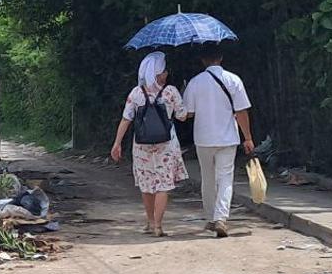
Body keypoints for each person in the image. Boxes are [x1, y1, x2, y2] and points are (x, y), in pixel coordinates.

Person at [109, 51, 189, 237]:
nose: (167, 73)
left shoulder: (136, 93)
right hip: (166, 145)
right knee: (163, 184)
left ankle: (150, 221)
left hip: (142, 145)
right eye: (164, 70)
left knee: (147, 184)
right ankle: (158, 226)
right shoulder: (171, 92)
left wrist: (117, 143)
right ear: (158, 73)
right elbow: (182, 116)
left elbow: (126, 119)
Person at [184, 43, 254, 238]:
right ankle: (222, 217)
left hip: (203, 138)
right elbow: (241, 111)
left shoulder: (195, 83)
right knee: (225, 178)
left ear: (202, 60)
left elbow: (188, 113)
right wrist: (247, 137)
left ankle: (211, 218)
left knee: (207, 178)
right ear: (221, 58)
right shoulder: (233, 80)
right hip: (228, 137)